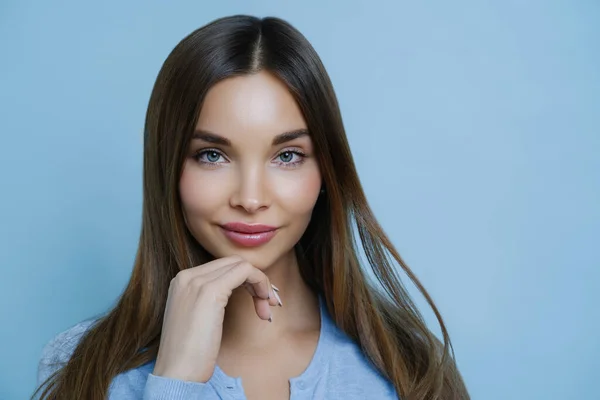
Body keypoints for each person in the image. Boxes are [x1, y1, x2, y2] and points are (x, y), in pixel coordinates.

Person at [33, 15, 469, 400]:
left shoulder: (408, 370)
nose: (251, 198)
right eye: (212, 155)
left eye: (287, 156)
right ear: (168, 170)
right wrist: (175, 380)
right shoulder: (81, 367)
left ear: (325, 174)